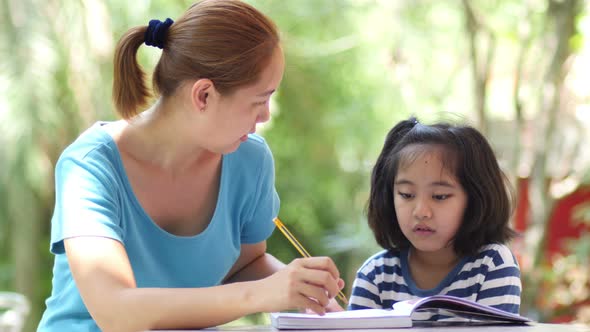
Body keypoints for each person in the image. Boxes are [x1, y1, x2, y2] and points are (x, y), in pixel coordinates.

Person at [37, 1, 344, 331]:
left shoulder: (249, 160)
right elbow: (117, 312)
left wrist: (303, 289)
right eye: (258, 101)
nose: (266, 115)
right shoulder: (90, 168)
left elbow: (245, 265)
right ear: (204, 96)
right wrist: (265, 293)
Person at [348, 116, 522, 317]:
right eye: (406, 194)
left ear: (475, 199)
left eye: (440, 196)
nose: (421, 211)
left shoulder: (492, 265)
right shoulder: (375, 275)